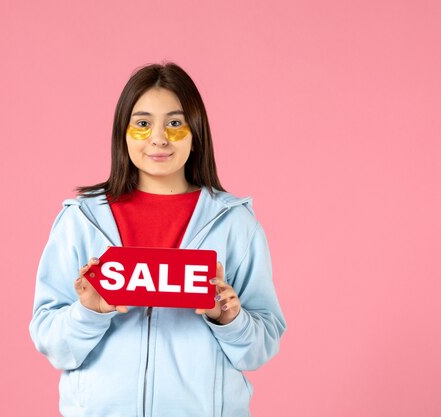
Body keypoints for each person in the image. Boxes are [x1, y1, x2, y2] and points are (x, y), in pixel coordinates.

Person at [29, 62, 286, 417]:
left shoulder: (235, 223)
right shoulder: (81, 220)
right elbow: (53, 343)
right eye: (143, 123)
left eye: (175, 123)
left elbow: (260, 347)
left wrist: (229, 317)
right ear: (123, 131)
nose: (159, 138)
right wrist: (89, 312)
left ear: (196, 132)